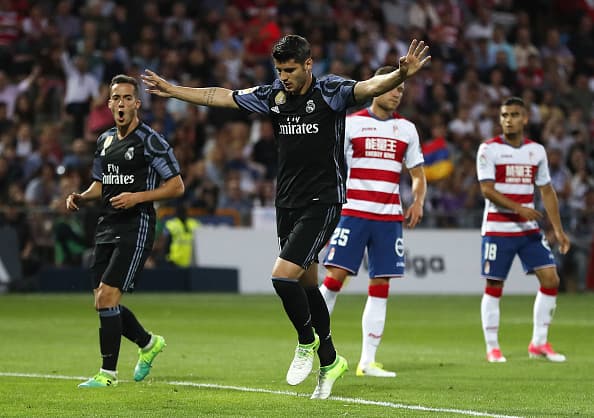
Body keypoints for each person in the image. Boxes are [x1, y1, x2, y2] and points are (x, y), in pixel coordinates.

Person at [142, 35, 430, 399]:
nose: (284, 77)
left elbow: (368, 86)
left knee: (282, 278)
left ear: (308, 64)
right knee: (309, 287)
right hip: (287, 203)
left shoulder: (330, 92)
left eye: (290, 70)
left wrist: (399, 76)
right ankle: (330, 361)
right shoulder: (274, 96)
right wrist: (174, 90)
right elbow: (223, 96)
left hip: (323, 201)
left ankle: (306, 342)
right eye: (279, 70)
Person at [66, 74, 185, 387]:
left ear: (137, 104)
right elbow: (100, 183)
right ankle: (148, 344)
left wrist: (138, 197)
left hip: (137, 225)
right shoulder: (104, 140)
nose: (121, 104)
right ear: (109, 104)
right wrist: (81, 195)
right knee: (102, 301)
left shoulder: (150, 140)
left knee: (106, 298)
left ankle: (108, 375)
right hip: (107, 224)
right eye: (116, 98)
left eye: (127, 98)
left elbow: (176, 186)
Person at [319, 70, 426, 378]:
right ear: (377, 88)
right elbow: (332, 167)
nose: (397, 93)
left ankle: (367, 361)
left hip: (388, 217)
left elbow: (418, 174)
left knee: (381, 284)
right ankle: (313, 345)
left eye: (401, 90)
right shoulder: (351, 124)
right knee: (334, 278)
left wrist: (418, 200)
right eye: (392, 87)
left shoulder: (406, 129)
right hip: (353, 213)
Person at [476, 96, 570, 363]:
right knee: (495, 284)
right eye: (504, 115)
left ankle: (539, 343)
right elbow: (486, 190)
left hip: (528, 230)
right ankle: (492, 347)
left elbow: (547, 191)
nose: (508, 119)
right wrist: (520, 208)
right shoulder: (488, 149)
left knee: (551, 280)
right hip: (497, 228)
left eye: (514, 115)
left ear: (525, 119)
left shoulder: (536, 151)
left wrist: (558, 230)